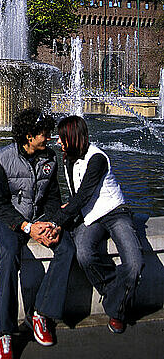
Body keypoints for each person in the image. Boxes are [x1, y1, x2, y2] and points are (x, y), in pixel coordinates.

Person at [0, 108, 75, 359]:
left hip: (40, 217)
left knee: (67, 248)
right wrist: (27, 228)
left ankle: (41, 312)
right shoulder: (1, 159)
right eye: (44, 134)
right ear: (29, 136)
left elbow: (52, 198)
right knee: (8, 257)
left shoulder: (49, 158)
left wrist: (53, 224)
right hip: (11, 220)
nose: (48, 138)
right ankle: (4, 333)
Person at [47, 115, 144, 334]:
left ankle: (116, 310)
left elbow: (83, 195)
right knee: (83, 255)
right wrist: (67, 209)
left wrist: (57, 221)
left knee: (135, 264)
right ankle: (115, 293)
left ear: (73, 137)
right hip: (89, 215)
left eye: (62, 138)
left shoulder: (97, 158)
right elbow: (77, 197)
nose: (58, 142)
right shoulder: (68, 158)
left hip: (114, 212)